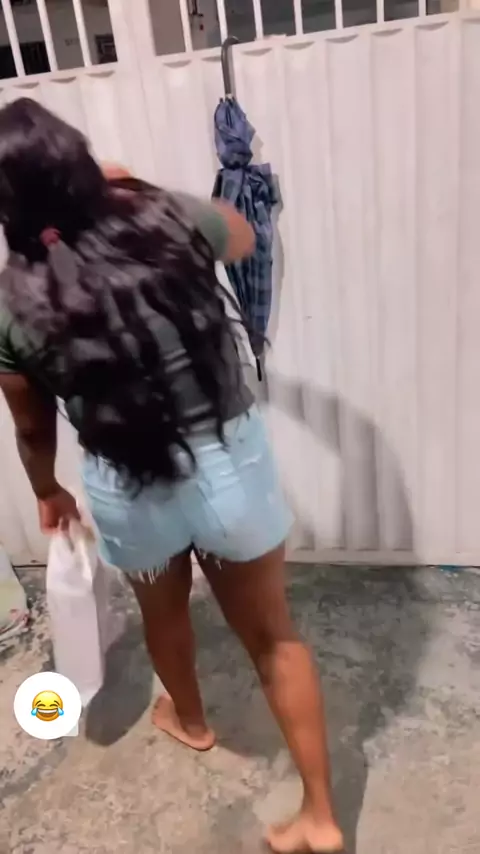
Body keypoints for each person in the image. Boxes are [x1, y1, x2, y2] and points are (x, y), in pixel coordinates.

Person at [0, 99, 343, 854]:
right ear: (81, 162)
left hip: (127, 482)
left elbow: (32, 425)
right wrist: (135, 186)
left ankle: (189, 720)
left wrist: (47, 490)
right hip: (229, 461)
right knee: (273, 636)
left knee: (164, 614)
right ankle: (320, 817)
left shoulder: (12, 300)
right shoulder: (160, 218)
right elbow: (243, 235)